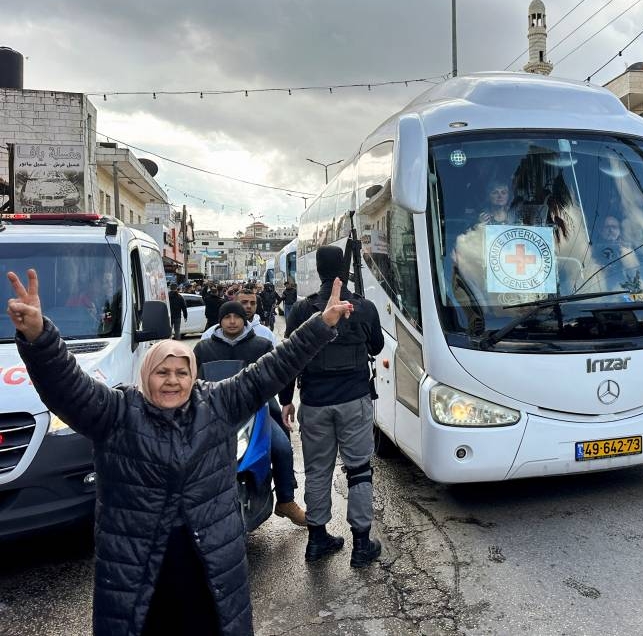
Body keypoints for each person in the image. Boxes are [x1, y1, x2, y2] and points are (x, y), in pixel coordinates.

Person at [6, 268, 353, 636]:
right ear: (145, 376)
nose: (172, 380)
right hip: (137, 577)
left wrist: (321, 324)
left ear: (193, 375)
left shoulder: (218, 403)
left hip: (211, 573)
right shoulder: (116, 413)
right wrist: (39, 336)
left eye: (180, 372)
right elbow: (68, 387)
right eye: (162, 372)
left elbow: (273, 368)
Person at [280, 245, 385, 567]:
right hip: (354, 400)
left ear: (318, 270)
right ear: (345, 270)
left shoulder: (301, 310)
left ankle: (317, 539)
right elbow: (377, 346)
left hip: (314, 402)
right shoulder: (363, 307)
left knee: (317, 471)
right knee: (359, 470)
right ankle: (362, 543)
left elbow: (290, 355)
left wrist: (286, 400)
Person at [194, 300, 307, 527]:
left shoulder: (262, 345)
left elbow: (279, 373)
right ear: (220, 320)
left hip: (258, 410)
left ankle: (286, 499)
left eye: (236, 317)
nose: (232, 321)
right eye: (227, 317)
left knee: (282, 447)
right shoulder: (203, 349)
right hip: (214, 414)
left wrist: (282, 398)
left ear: (244, 320)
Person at [202, 287, 277, 347]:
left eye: (252, 303)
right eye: (244, 302)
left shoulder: (266, 334)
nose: (249, 306)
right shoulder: (211, 334)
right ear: (234, 303)